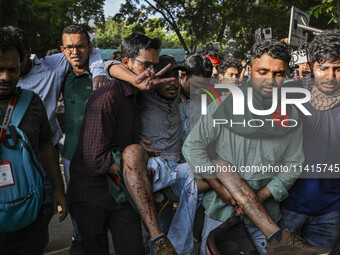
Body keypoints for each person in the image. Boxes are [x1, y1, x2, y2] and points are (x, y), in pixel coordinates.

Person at [183, 39, 332, 255]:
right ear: (249, 70)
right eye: (262, 71)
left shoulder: (291, 114)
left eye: (278, 73)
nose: (270, 80)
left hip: (268, 213)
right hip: (221, 214)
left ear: (287, 73)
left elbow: (293, 164)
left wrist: (259, 197)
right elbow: (193, 147)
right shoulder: (224, 105)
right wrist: (219, 187)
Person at [67, 33, 178, 255]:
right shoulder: (107, 96)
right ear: (126, 63)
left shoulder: (136, 95)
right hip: (92, 194)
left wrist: (135, 143)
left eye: (154, 66)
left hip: (120, 193)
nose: (151, 72)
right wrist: (140, 172)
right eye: (145, 65)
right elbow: (94, 157)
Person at [4, 25, 107, 250]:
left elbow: (87, 49)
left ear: (24, 55)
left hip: (43, 162)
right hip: (9, 163)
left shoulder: (53, 66)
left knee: (37, 225)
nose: (7, 76)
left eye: (14, 66)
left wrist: (99, 72)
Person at [0, 28, 67, 255]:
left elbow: (46, 145)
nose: (5, 77)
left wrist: (58, 189)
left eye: (13, 69)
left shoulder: (32, 102)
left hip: (28, 213)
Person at [280, 29, 340, 254]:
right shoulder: (289, 93)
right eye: (323, 68)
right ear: (312, 65)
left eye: (338, 69)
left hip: (332, 210)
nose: (330, 77)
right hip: (286, 205)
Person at [60, 24, 103, 255]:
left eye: (80, 46)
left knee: (99, 202)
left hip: (100, 153)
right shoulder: (60, 75)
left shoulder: (103, 75)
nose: (75, 52)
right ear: (62, 50)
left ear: (90, 47)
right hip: (71, 152)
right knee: (75, 200)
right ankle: (77, 237)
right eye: (69, 48)